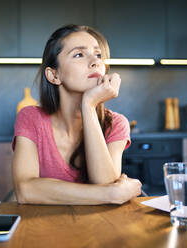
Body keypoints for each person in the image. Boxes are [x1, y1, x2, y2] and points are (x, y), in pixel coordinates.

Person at [12, 24, 142, 205]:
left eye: (98, 55)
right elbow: (25, 191)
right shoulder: (31, 118)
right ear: (54, 75)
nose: (95, 62)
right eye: (79, 54)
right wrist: (110, 194)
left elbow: (105, 184)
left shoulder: (116, 123)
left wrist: (88, 105)